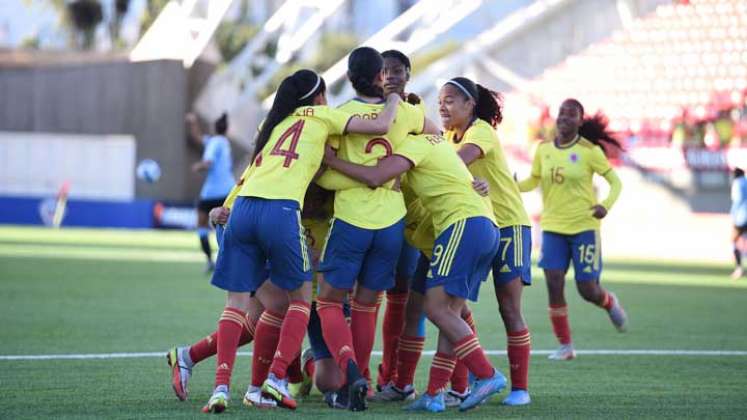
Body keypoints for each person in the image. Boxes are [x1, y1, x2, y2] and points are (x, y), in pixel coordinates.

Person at [202, 69, 402, 413]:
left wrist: (225, 207)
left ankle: (222, 389)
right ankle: (276, 378)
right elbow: (381, 125)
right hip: (280, 210)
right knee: (298, 299)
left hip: (244, 207)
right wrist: (396, 98)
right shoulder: (324, 115)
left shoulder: (274, 125)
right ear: (319, 97)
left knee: (236, 305)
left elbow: (253, 170)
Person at [323, 132, 508, 412]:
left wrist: (331, 162)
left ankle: (485, 374)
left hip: (461, 224)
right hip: (470, 228)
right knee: (443, 312)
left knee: (437, 310)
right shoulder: (425, 153)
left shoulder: (414, 145)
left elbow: (375, 177)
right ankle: (434, 393)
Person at [314, 46, 439, 404]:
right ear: (380, 77)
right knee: (369, 305)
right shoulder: (409, 112)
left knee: (329, 301)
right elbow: (436, 137)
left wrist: (348, 174)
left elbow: (323, 168)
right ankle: (365, 383)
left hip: (353, 220)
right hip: (392, 223)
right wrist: (397, 170)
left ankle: (349, 376)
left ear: (350, 77)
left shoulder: (340, 115)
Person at [439, 77, 533, 406]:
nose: (442, 106)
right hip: (479, 226)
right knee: (454, 307)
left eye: (450, 100)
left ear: (470, 105)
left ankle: (520, 389)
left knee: (509, 308)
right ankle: (464, 385)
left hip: (509, 225)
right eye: (440, 100)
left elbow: (457, 161)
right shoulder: (448, 136)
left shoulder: (480, 131)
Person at [517, 98, 628, 361]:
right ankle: (566, 346)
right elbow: (534, 179)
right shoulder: (543, 149)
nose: (564, 117)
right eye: (561, 113)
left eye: (571, 114)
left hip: (584, 228)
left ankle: (609, 302)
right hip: (553, 227)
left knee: (587, 289)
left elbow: (615, 182)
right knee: (553, 284)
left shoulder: (590, 151)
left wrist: (605, 206)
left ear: (580, 121)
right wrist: (512, 185)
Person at [374, 49, 427, 391]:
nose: (391, 76)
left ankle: (396, 378)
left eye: (397, 70)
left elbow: (436, 154)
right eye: (385, 71)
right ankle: (341, 372)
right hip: (364, 215)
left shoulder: (417, 114)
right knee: (355, 297)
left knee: (405, 298)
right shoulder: (365, 110)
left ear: (408, 74)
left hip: (408, 219)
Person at [186, 112, 236, 272]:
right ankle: (229, 260)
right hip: (228, 190)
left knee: (201, 224)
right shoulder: (224, 143)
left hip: (212, 192)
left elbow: (207, 163)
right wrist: (193, 124)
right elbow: (199, 138)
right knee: (227, 225)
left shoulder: (214, 142)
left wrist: (197, 167)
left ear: (214, 128)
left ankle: (209, 261)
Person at [730, 167, 747, 279]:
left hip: (741, 217)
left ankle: (739, 268)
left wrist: (733, 215)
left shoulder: (737, 183)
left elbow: (738, 200)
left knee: (734, 241)